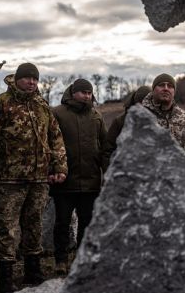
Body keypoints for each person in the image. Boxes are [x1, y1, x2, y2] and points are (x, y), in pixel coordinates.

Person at [0, 63, 67, 293]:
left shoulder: (42, 106)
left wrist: (59, 167)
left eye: (35, 79)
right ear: (16, 79)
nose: (31, 83)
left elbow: (55, 138)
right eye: (27, 78)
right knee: (7, 228)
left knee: (34, 225)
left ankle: (32, 273)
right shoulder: (1, 105)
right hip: (10, 179)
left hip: (38, 179)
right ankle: (5, 280)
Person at [50, 78, 108, 275]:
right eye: (83, 92)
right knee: (62, 223)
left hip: (91, 181)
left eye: (89, 93)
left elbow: (104, 147)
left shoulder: (96, 116)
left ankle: (80, 260)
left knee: (87, 222)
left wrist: (106, 172)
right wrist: (54, 170)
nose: (87, 96)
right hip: (64, 181)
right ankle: (60, 260)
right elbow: (49, 144)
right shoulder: (57, 113)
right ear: (73, 93)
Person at [141, 73, 185, 168]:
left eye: (170, 86)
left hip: (179, 178)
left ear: (174, 91)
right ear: (153, 90)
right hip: (149, 178)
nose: (166, 88)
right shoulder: (140, 116)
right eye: (161, 85)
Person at [105, 85, 151, 154]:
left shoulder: (158, 120)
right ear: (135, 103)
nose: (144, 108)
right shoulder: (120, 122)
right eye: (141, 104)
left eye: (147, 104)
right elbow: (108, 149)